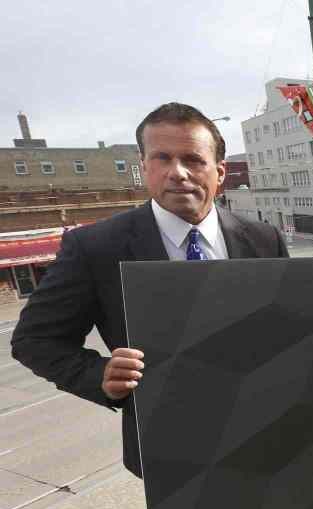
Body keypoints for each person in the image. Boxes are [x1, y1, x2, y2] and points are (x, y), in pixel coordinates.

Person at [11, 102, 289, 479]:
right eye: (162, 158)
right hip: (169, 454)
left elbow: (291, 324)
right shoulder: (95, 248)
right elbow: (34, 340)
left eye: (193, 159)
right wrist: (101, 376)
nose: (178, 173)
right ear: (144, 168)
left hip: (264, 435)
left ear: (219, 173)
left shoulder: (263, 238)